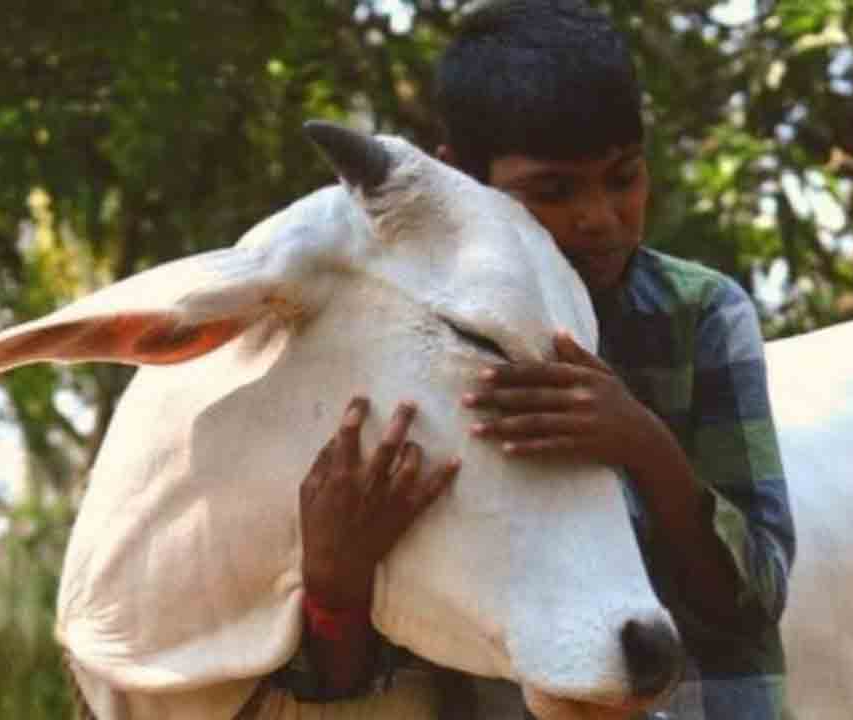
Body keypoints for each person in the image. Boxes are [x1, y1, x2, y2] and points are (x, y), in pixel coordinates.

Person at [272, 1, 794, 717]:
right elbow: (359, 677)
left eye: (624, 177)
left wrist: (644, 445)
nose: (600, 217)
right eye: (553, 190)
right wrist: (335, 585)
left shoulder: (701, 317)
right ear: (458, 180)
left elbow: (757, 599)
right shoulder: (406, 341)